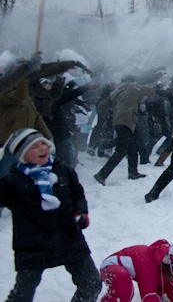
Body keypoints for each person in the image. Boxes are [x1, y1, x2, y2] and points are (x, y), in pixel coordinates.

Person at [0, 129, 102, 302]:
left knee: (91, 283)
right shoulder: (13, 183)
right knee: (22, 294)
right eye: (34, 147)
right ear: (23, 156)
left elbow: (77, 193)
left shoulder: (63, 170)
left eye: (43, 143)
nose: (42, 149)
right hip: (32, 244)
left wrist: (81, 212)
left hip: (69, 238)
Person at [94, 74, 156, 185]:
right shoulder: (133, 87)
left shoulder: (115, 92)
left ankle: (133, 172)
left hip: (118, 121)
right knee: (121, 150)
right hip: (127, 122)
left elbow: (101, 105)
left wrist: (106, 115)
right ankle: (101, 174)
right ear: (133, 81)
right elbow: (150, 90)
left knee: (132, 146)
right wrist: (150, 99)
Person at [99, 240, 173, 302]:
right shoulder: (149, 267)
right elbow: (148, 296)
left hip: (128, 270)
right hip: (111, 267)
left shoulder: (163, 264)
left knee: (163, 283)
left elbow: (171, 287)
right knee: (124, 288)